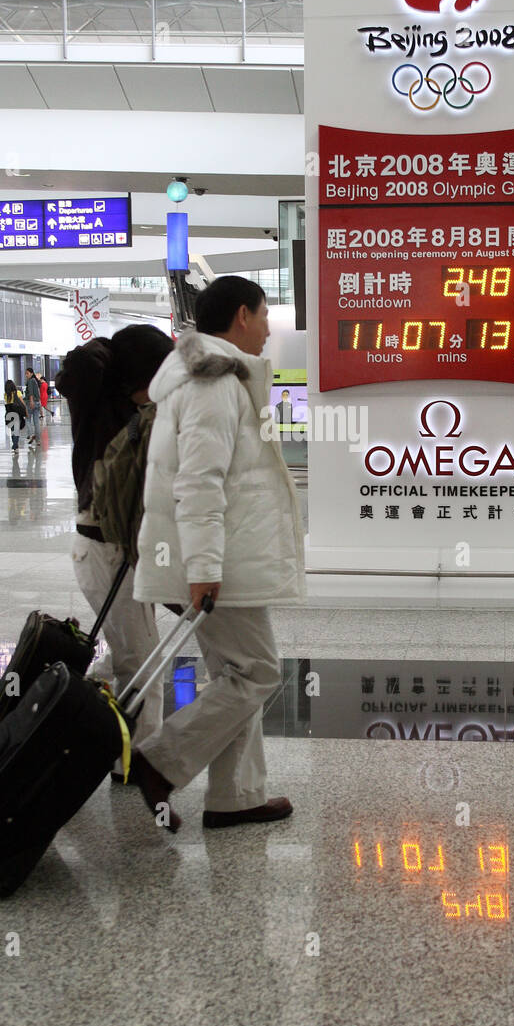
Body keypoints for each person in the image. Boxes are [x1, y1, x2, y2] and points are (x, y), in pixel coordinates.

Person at [131, 276, 305, 831]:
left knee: (235, 672)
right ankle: (160, 761)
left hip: (219, 559)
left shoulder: (209, 377)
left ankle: (236, 796)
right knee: (256, 672)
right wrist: (204, 569)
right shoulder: (214, 384)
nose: (268, 327)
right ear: (240, 316)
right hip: (214, 564)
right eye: (263, 315)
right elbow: (199, 482)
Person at [55, 325, 175, 772]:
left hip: (114, 553)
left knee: (130, 654)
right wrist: (112, 346)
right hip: (104, 553)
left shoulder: (133, 409)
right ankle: (139, 767)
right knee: (143, 668)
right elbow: (81, 365)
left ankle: (72, 707)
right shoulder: (97, 403)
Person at [4, 380, 26, 451]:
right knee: (16, 430)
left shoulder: (6, 395)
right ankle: (15, 444)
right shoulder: (18, 393)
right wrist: (25, 412)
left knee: (12, 430)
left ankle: (14, 443)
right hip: (17, 413)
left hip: (9, 413)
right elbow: (22, 403)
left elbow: (7, 403)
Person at [24, 366, 42, 445]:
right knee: (36, 422)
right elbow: (38, 393)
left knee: (27, 419)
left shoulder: (31, 381)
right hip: (37, 403)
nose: (26, 375)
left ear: (31, 373)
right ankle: (38, 440)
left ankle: (30, 435)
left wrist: (31, 401)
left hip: (31, 403)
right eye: (25, 374)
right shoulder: (35, 381)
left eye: (27, 373)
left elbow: (31, 392)